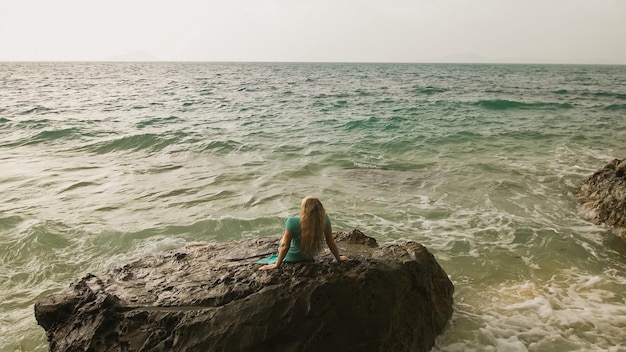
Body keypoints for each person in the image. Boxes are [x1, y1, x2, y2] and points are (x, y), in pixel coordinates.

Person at [258, 196, 348, 270]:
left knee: (283, 240)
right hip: (309, 257)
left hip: (291, 257)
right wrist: (338, 258)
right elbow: (330, 241)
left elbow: (285, 246)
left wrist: (277, 265)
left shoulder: (292, 221)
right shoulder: (325, 220)